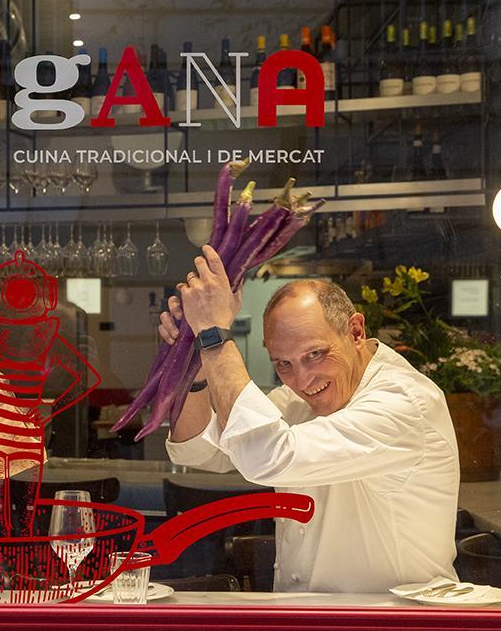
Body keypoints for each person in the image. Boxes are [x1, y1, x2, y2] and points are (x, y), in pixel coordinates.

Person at [159, 245, 459, 593]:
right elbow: (198, 452)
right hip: (310, 621)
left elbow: (267, 456)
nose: (303, 380)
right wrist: (194, 369)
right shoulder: (299, 401)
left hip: (393, 626)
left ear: (356, 331)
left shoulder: (404, 403)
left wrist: (213, 336)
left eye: (315, 354)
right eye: (283, 364)